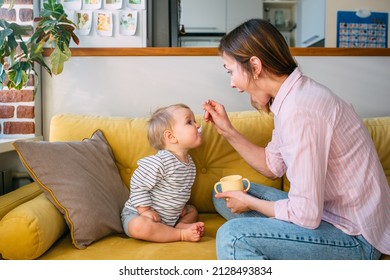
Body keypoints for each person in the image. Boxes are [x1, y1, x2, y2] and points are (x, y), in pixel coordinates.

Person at [203, 18, 390, 259]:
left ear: (255, 66)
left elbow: (305, 214)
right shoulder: (291, 97)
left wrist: (250, 203)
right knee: (221, 194)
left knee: (233, 236)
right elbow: (272, 167)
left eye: (231, 71)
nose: (232, 84)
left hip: (356, 236)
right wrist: (227, 130)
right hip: (327, 213)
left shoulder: (300, 110)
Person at [121, 103, 205, 242]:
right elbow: (138, 183)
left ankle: (180, 225)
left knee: (192, 210)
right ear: (171, 137)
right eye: (189, 122)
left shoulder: (190, 163)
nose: (197, 125)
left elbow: (180, 190)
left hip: (170, 217)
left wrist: (182, 206)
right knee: (139, 227)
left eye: (195, 121)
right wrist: (145, 210)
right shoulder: (160, 161)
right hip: (139, 214)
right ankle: (180, 234)